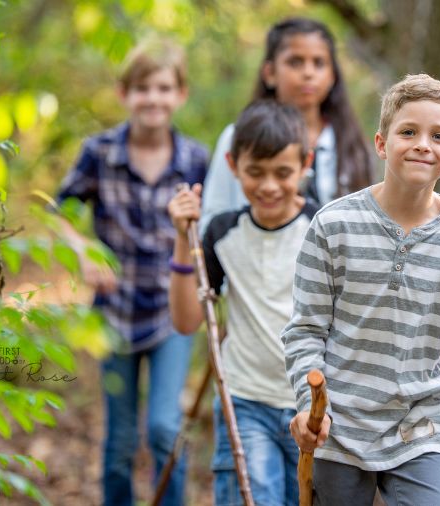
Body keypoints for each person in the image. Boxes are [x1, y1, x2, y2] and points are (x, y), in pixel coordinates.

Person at [283, 74, 440, 506]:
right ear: (381, 144)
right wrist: (310, 405)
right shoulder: (332, 225)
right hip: (338, 428)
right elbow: (305, 330)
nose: (422, 144)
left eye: (438, 136)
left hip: (419, 431)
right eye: (408, 132)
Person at [54, 38, 208, 506]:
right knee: (120, 441)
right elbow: (56, 212)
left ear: (180, 94)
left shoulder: (195, 160)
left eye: (163, 88)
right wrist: (82, 249)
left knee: (164, 428)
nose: (153, 99)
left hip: (171, 316)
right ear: (124, 93)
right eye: (142, 88)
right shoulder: (98, 153)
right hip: (112, 315)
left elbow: (214, 228)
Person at [168, 100, 319, 506]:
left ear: (305, 164)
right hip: (245, 400)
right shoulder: (222, 233)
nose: (269, 186)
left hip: (311, 408)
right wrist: (184, 239)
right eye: (255, 172)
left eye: (282, 173)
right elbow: (185, 321)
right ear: (233, 165)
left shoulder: (323, 230)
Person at [199, 17, 373, 229]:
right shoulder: (236, 138)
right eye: (295, 62)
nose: (308, 73)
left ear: (332, 76)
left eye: (319, 63)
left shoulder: (351, 144)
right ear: (270, 73)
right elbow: (212, 219)